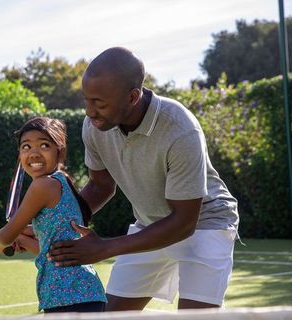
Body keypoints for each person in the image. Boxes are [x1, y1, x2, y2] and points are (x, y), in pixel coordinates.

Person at [46, 47, 240, 311]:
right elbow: (101, 185)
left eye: (99, 103)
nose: (90, 112)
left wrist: (105, 248)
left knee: (195, 318)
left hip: (205, 225)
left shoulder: (180, 129)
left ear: (133, 97)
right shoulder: (95, 126)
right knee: (109, 316)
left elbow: (184, 223)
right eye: (86, 100)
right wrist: (51, 220)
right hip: (150, 225)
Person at [0, 117, 107, 313]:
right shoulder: (61, 181)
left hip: (69, 299)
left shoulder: (42, 186)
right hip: (81, 296)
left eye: (44, 145)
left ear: (60, 152)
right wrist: (23, 237)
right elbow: (51, 253)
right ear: (20, 154)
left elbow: (5, 236)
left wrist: (3, 241)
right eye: (26, 146)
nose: (34, 153)